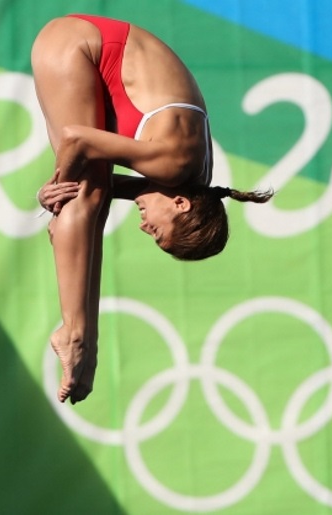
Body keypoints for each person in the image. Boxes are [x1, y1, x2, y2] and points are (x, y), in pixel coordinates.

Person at [31, 14, 273, 404]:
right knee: (84, 198)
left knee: (89, 197)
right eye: (158, 232)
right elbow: (76, 141)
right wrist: (61, 183)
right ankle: (77, 337)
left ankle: (85, 341)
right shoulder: (174, 165)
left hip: (90, 46)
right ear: (180, 204)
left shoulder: (189, 180)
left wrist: (55, 191)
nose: (144, 229)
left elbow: (103, 185)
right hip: (77, 44)